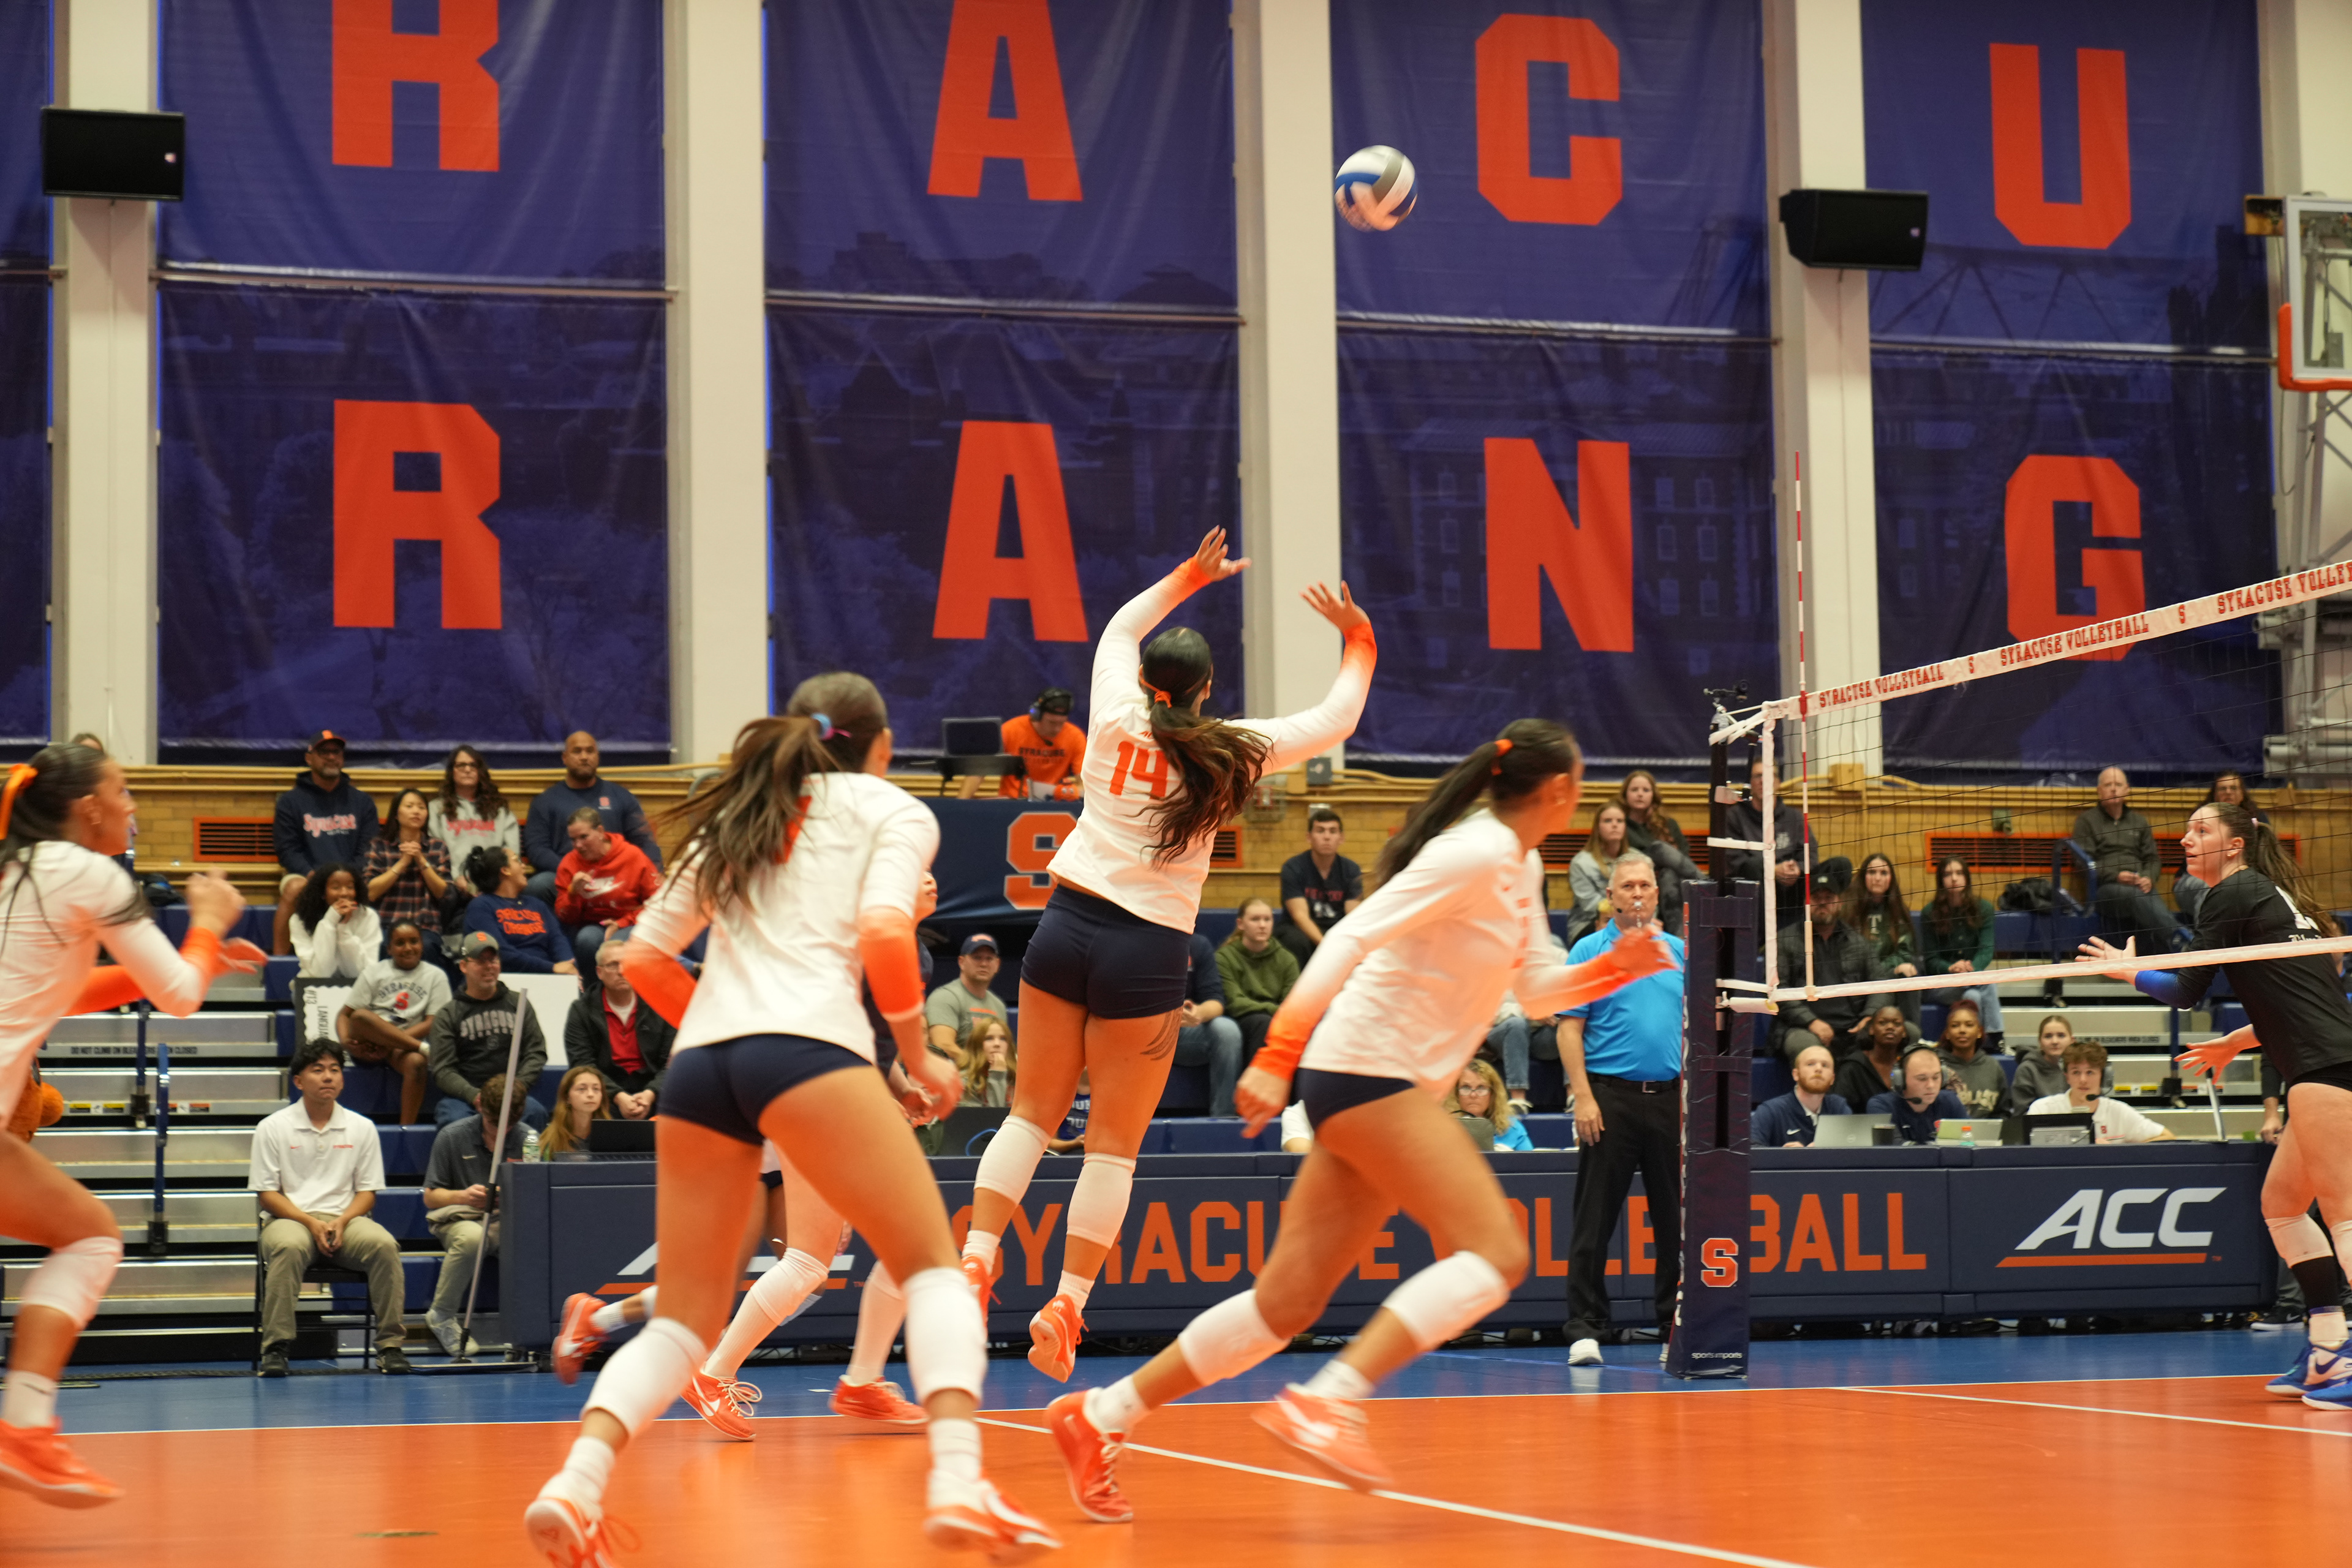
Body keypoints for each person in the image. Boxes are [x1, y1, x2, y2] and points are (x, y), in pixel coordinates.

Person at [1041, 719, 1671, 1518]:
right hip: (1368, 1072)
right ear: (1558, 791)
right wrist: (1276, 1054)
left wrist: (1612, 967)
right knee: (1498, 1251)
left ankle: (1101, 1415)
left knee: (1284, 1306)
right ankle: (1328, 1399)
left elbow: (1540, 990)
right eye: (1580, 785)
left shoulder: (1517, 866)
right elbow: (1350, 936)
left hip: (1373, 1080)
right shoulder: (1473, 852)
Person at [525, 681, 1057, 1564]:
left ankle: (574, 1485)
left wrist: (720, 1020)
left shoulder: (741, 811)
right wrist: (917, 1054)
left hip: (702, 1069)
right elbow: (884, 931)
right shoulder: (891, 809)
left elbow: (642, 957)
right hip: (809, 1052)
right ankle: (961, 1482)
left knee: (684, 1319)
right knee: (932, 1269)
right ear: (881, 746)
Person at [958, 527, 1376, 1389]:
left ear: (1150, 679)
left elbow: (1118, 627)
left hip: (1067, 923)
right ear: (1207, 689)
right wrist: (1358, 639)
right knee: (1112, 1148)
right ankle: (1066, 1304)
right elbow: (1338, 718)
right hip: (1147, 950)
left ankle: (975, 1258)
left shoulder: (1113, 711)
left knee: (1029, 1117)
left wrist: (1188, 575)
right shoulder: (1231, 750)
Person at [0, 744, 257, 1504]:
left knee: (87, 1231)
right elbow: (177, 996)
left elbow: (68, 991)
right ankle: (24, 1426)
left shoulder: (19, 873)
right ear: (89, 809)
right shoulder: (91, 873)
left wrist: (200, 958)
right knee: (90, 1237)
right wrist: (206, 925)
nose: (135, 805)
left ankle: (26, 1429)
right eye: (124, 790)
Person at [2082, 797, 2352, 1408]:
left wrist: (2129, 972)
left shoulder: (2231, 892)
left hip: (2328, 1071)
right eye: (2186, 830)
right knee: (2283, 1207)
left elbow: (2185, 991)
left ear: (2234, 845)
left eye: (2200, 830)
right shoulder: (2269, 897)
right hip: (2324, 1065)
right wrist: (2236, 1040)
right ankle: (2328, 1350)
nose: (2185, 839)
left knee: (2344, 1217)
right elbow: (2302, 1000)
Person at [1561, 851, 1686, 1365]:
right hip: (1608, 1099)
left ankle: (1674, 1326)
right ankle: (1585, 1328)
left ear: (1657, 894)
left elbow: (1697, 1029)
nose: (1637, 893)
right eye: (1627, 886)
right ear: (1610, 896)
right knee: (1593, 1221)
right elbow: (1569, 1029)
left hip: (1670, 1100)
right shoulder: (1588, 951)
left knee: (1674, 1223)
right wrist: (1583, 1096)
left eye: (1644, 886)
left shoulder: (1680, 952)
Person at [249, 1039, 410, 1375]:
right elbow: (267, 1194)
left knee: (384, 1245)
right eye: (318, 1070)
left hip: (346, 1220)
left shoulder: (361, 1127)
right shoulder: (272, 1127)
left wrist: (342, 1220)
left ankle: (390, 1347)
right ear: (298, 1081)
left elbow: (367, 1193)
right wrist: (311, 1223)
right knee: (289, 1247)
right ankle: (276, 1348)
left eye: (335, 1070)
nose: (328, 1077)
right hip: (290, 1218)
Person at [422, 1072, 529, 1355]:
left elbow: (537, 1194)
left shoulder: (529, 1139)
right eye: (494, 1125)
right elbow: (430, 1197)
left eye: (509, 1126)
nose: (500, 1133)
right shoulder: (452, 1136)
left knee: (531, 1241)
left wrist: (512, 1196)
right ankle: (442, 1315)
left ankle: (526, 1326)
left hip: (507, 1219)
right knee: (473, 1239)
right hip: (461, 1216)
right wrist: (463, 1195)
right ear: (480, 1106)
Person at [424, 933, 549, 1128]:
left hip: (511, 1094)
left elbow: (536, 1052)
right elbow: (443, 1069)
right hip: (465, 1099)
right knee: (453, 1123)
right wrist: (474, 1095)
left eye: (493, 960)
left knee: (535, 1114)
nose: (489, 966)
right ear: (464, 966)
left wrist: (517, 1087)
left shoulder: (519, 1004)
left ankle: (524, 1151)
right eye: (481, 961)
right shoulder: (448, 1015)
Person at [522, 732, 662, 907]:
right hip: (568, 875)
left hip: (617, 875)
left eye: (590, 751)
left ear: (597, 756)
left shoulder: (622, 797)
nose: (584, 757)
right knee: (538, 885)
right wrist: (571, 871)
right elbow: (537, 849)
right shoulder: (545, 801)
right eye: (577, 751)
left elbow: (645, 841)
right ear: (565, 758)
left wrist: (655, 872)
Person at [272, 729, 380, 956]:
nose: (331, 757)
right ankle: (278, 964)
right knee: (293, 888)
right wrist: (314, 876)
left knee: (378, 884)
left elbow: (368, 849)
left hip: (353, 876)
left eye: (336, 752)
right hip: (307, 876)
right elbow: (287, 850)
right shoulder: (290, 801)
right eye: (324, 752)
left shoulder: (362, 801)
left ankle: (369, 962)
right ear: (309, 758)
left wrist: (346, 879)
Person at [337, 919, 451, 1125]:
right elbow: (345, 1015)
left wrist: (390, 1043)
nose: (408, 948)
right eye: (400, 943)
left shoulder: (436, 976)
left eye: (414, 941)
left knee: (417, 1064)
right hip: (369, 1045)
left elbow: (433, 1022)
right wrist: (345, 1041)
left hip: (402, 1048)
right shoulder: (374, 972)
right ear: (389, 949)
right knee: (361, 1016)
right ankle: (423, 1049)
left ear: (422, 944)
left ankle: (405, 1129)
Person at [1773, 862, 1890, 1059]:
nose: (1823, 903)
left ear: (1839, 903)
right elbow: (1779, 990)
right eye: (1816, 898)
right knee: (1810, 1050)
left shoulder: (1858, 942)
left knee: (1903, 1033)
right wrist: (1812, 1022)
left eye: (1829, 898)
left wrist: (1869, 1017)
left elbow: (1881, 985)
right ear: (1806, 903)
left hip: (1852, 1028)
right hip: (1802, 1028)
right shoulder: (1785, 940)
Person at [564, 940, 671, 1119]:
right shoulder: (582, 1010)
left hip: (653, 1092)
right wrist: (619, 1097)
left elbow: (671, 1063)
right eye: (613, 965)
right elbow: (582, 1064)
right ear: (599, 972)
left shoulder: (661, 1005)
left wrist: (650, 1094)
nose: (622, 971)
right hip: (605, 1093)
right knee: (586, 1097)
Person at [2073, 767, 2174, 954]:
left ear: (2127, 789)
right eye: (2108, 785)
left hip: (2139, 884)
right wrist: (2117, 876)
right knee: (2137, 896)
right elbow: (2083, 864)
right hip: (2105, 889)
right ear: (2099, 791)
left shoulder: (2139, 821)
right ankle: (2180, 938)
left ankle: (2172, 955)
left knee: (2146, 894)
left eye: (2118, 785)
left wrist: (2148, 877)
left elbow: (2153, 859)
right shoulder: (2087, 821)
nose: (2113, 789)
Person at [553, 806, 663, 975]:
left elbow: (657, 904)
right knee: (587, 940)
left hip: (630, 921)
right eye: (573, 840)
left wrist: (622, 923)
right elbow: (566, 918)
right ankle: (591, 988)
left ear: (600, 832)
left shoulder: (633, 856)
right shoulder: (569, 864)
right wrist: (573, 894)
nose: (578, 845)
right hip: (594, 925)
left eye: (584, 837)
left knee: (615, 947)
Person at [2023, 1041, 2172, 1145]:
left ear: (2103, 1076)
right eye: (2076, 1072)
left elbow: (2168, 1137)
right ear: (2066, 1077)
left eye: (2090, 1072)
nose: (2083, 1080)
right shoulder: (2043, 1109)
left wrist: (2116, 1152)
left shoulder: (2119, 1112)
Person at [1721, 758, 1809, 932]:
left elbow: (1810, 855)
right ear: (1750, 783)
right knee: (1752, 866)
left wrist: (1797, 869)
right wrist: (1772, 870)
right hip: (1751, 889)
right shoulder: (1735, 816)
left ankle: (1806, 935)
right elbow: (1734, 861)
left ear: (1778, 782)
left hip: (1790, 889)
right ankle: (1761, 937)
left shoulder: (1794, 817)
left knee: (1838, 866)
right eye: (1758, 776)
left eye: (1769, 775)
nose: (1763, 781)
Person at [1919, 857, 2003, 1039]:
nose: (1954, 879)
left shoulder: (1984, 909)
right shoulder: (1929, 913)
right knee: (1988, 982)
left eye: (1959, 873)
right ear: (1941, 880)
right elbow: (1931, 960)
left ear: (1967, 878)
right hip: (1942, 985)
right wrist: (1951, 968)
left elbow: (1986, 950)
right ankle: (1998, 1038)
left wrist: (1971, 969)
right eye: (1948, 874)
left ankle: (1978, 1045)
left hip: (1972, 980)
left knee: (1974, 997)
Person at [461, 846, 576, 976]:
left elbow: (558, 940)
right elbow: (500, 952)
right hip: (508, 977)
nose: (523, 866)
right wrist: (551, 968)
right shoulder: (481, 906)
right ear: (505, 870)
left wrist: (569, 965)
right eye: (517, 861)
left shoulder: (537, 904)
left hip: (550, 976)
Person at [363, 788, 454, 952]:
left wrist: (421, 860)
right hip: (387, 924)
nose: (416, 811)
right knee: (382, 947)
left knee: (428, 947)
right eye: (410, 806)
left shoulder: (438, 847)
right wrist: (403, 862)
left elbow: (443, 893)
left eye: (421, 807)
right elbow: (370, 892)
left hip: (426, 926)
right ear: (396, 815)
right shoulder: (379, 846)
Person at [1275, 805, 1363, 963]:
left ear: (1341, 838)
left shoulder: (1351, 870)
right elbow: (1300, 916)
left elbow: (1353, 915)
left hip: (1335, 927)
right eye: (1320, 831)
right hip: (1300, 929)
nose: (1327, 837)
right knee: (1295, 941)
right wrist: (1325, 945)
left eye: (1333, 831)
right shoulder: (1293, 868)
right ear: (1309, 837)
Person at [429, 745, 521, 890]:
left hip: (494, 885)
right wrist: (455, 879)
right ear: (452, 771)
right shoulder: (436, 809)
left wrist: (494, 883)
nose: (467, 770)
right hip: (451, 884)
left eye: (473, 765)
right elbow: (435, 852)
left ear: (480, 771)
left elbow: (512, 854)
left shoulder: (499, 810)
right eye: (461, 765)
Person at [1616, 769, 1697, 935]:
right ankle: (1704, 884)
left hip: (1670, 887)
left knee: (1669, 875)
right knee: (1659, 849)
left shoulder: (1668, 824)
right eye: (1635, 790)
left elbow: (1684, 857)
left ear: (1653, 795)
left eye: (1646, 790)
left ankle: (1678, 939)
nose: (1640, 794)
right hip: (1639, 882)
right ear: (1625, 795)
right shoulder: (1620, 825)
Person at [1170, 932, 1242, 1117]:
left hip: (1182, 1035)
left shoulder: (1197, 945)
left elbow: (1216, 1002)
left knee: (1227, 1031)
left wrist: (1197, 1013)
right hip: (1142, 1031)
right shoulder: (1140, 941)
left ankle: (1224, 1119)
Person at [1846, 853, 1921, 1025]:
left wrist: (1890, 968)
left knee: (1908, 972)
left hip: (1887, 976)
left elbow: (1904, 954)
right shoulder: (1849, 911)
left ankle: (1912, 1033)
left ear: (1891, 879)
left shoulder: (1899, 913)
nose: (1877, 878)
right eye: (1872, 872)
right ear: (1863, 877)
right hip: (1857, 978)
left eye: (1883, 873)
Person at [287, 863, 380, 984]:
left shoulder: (368, 916)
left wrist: (343, 929)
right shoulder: (300, 920)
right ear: (322, 893)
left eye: (350, 887)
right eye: (336, 888)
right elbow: (320, 973)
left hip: (357, 986)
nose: (344, 893)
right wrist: (330, 921)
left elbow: (362, 972)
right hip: (313, 985)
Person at [1752, 1042, 1850, 1147]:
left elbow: (1853, 1147)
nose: (1819, 1069)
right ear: (1796, 1075)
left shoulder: (1838, 1107)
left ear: (1832, 1079)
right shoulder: (1771, 1111)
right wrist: (1784, 1155)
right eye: (1811, 1064)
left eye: (1825, 1065)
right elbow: (1751, 1150)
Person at [924, 934, 1008, 1057]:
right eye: (977, 958)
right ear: (961, 962)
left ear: (997, 964)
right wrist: (980, 1066)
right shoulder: (945, 997)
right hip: (954, 1068)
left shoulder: (998, 1005)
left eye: (989, 959)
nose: (984, 964)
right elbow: (943, 1046)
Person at [1864, 1045, 1964, 1144]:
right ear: (1901, 1079)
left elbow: (1969, 1140)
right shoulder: (1882, 1106)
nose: (1931, 1085)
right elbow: (1892, 1148)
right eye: (1922, 1079)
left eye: (1936, 1078)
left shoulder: (1950, 1101)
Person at [1000, 687, 1085, 801]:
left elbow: (1084, 781)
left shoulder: (1075, 737)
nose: (1057, 729)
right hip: (1012, 800)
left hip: (1054, 801)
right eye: (1052, 723)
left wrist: (1075, 792)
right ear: (1036, 716)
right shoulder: (1010, 730)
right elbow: (981, 769)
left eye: (1062, 723)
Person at [1564, 802, 1632, 946]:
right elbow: (1590, 906)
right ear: (1597, 828)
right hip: (1588, 924)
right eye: (1608, 821)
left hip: (1630, 920)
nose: (1615, 825)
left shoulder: (1637, 860)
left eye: (1620, 821)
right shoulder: (1581, 863)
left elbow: (1648, 897)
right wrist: (1627, 913)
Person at [2010, 1012, 2094, 1114]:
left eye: (2061, 1036)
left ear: (2072, 1040)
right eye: (2048, 1036)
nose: (2055, 1041)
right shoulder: (2027, 1070)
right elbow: (2022, 1115)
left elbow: (2094, 1105)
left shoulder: (2084, 1069)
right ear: (2040, 1042)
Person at [1934, 999, 2005, 1117]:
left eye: (1969, 1025)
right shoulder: (1936, 1067)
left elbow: (2003, 1113)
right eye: (1955, 1026)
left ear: (1979, 1032)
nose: (1962, 1030)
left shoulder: (1993, 1067)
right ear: (1947, 1034)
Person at [1834, 1006, 1913, 1110]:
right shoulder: (1852, 1067)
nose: (1890, 1027)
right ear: (1871, 1030)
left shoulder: (1910, 1065)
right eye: (1882, 1023)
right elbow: (1839, 1110)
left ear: (1904, 1033)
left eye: (1897, 1024)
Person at [1444, 1058, 1532, 1152]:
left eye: (1481, 1088)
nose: (1473, 1095)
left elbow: (1531, 1160)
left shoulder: (1512, 1127)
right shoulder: (1444, 1126)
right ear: (1456, 1093)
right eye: (1466, 1088)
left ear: (1493, 1094)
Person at [537, 1064, 612, 1158]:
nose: (591, 1094)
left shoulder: (612, 1137)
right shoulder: (551, 1140)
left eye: (596, 1089)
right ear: (567, 1097)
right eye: (582, 1089)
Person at [957, 1015, 1016, 1108]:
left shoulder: (1017, 1079)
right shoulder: (963, 1082)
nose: (997, 1044)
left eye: (1003, 1039)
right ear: (977, 1045)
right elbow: (993, 1116)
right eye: (989, 1038)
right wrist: (997, 1076)